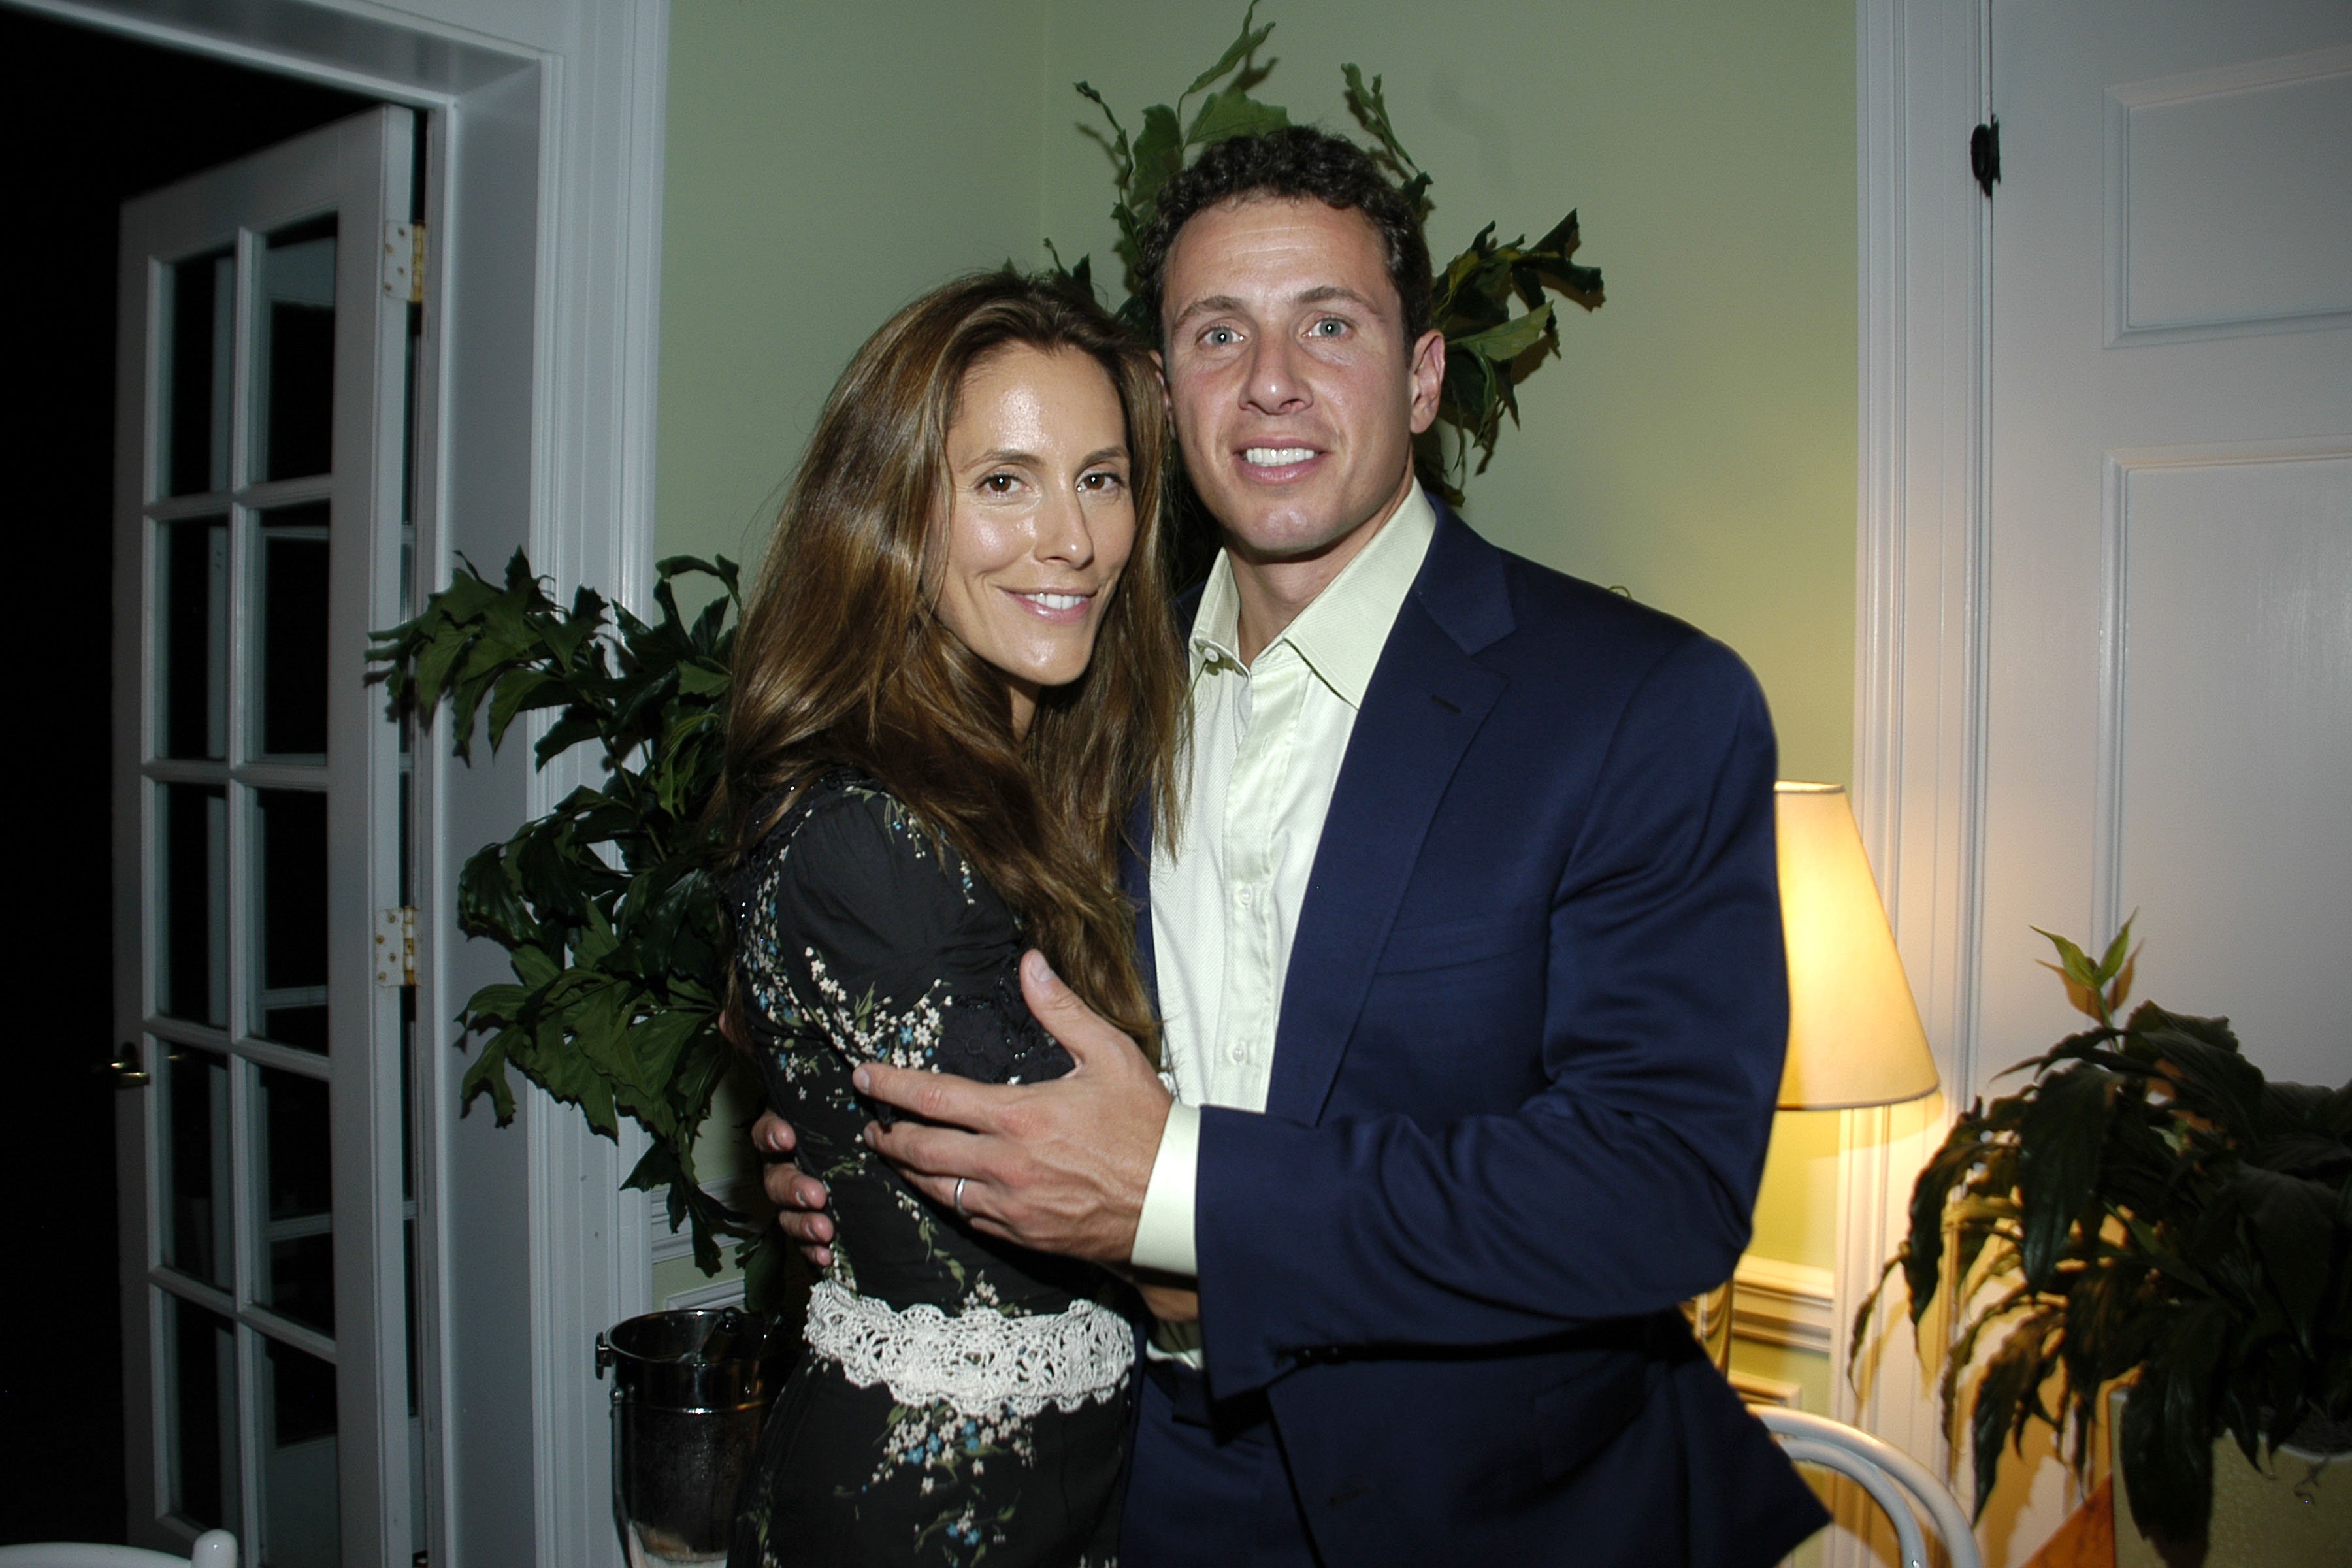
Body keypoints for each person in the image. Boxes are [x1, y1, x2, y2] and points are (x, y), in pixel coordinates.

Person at [759, 127, 1831, 1567]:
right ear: (1165, 392)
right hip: (1142, 1495)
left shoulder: (1642, 703)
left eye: (1329, 324)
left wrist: (1174, 1195)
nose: (1272, 381)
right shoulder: (1084, 708)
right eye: (1219, 333)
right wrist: (882, 1179)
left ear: (1425, 375)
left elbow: (1660, 1188)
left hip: (1512, 1514)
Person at [717, 271, 1187, 1567]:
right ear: (888, 516)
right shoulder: (872, 832)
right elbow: (1102, 1192)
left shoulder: (1061, 782)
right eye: (1003, 482)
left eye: (1101, 478)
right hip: (929, 1525)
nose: (1073, 539)